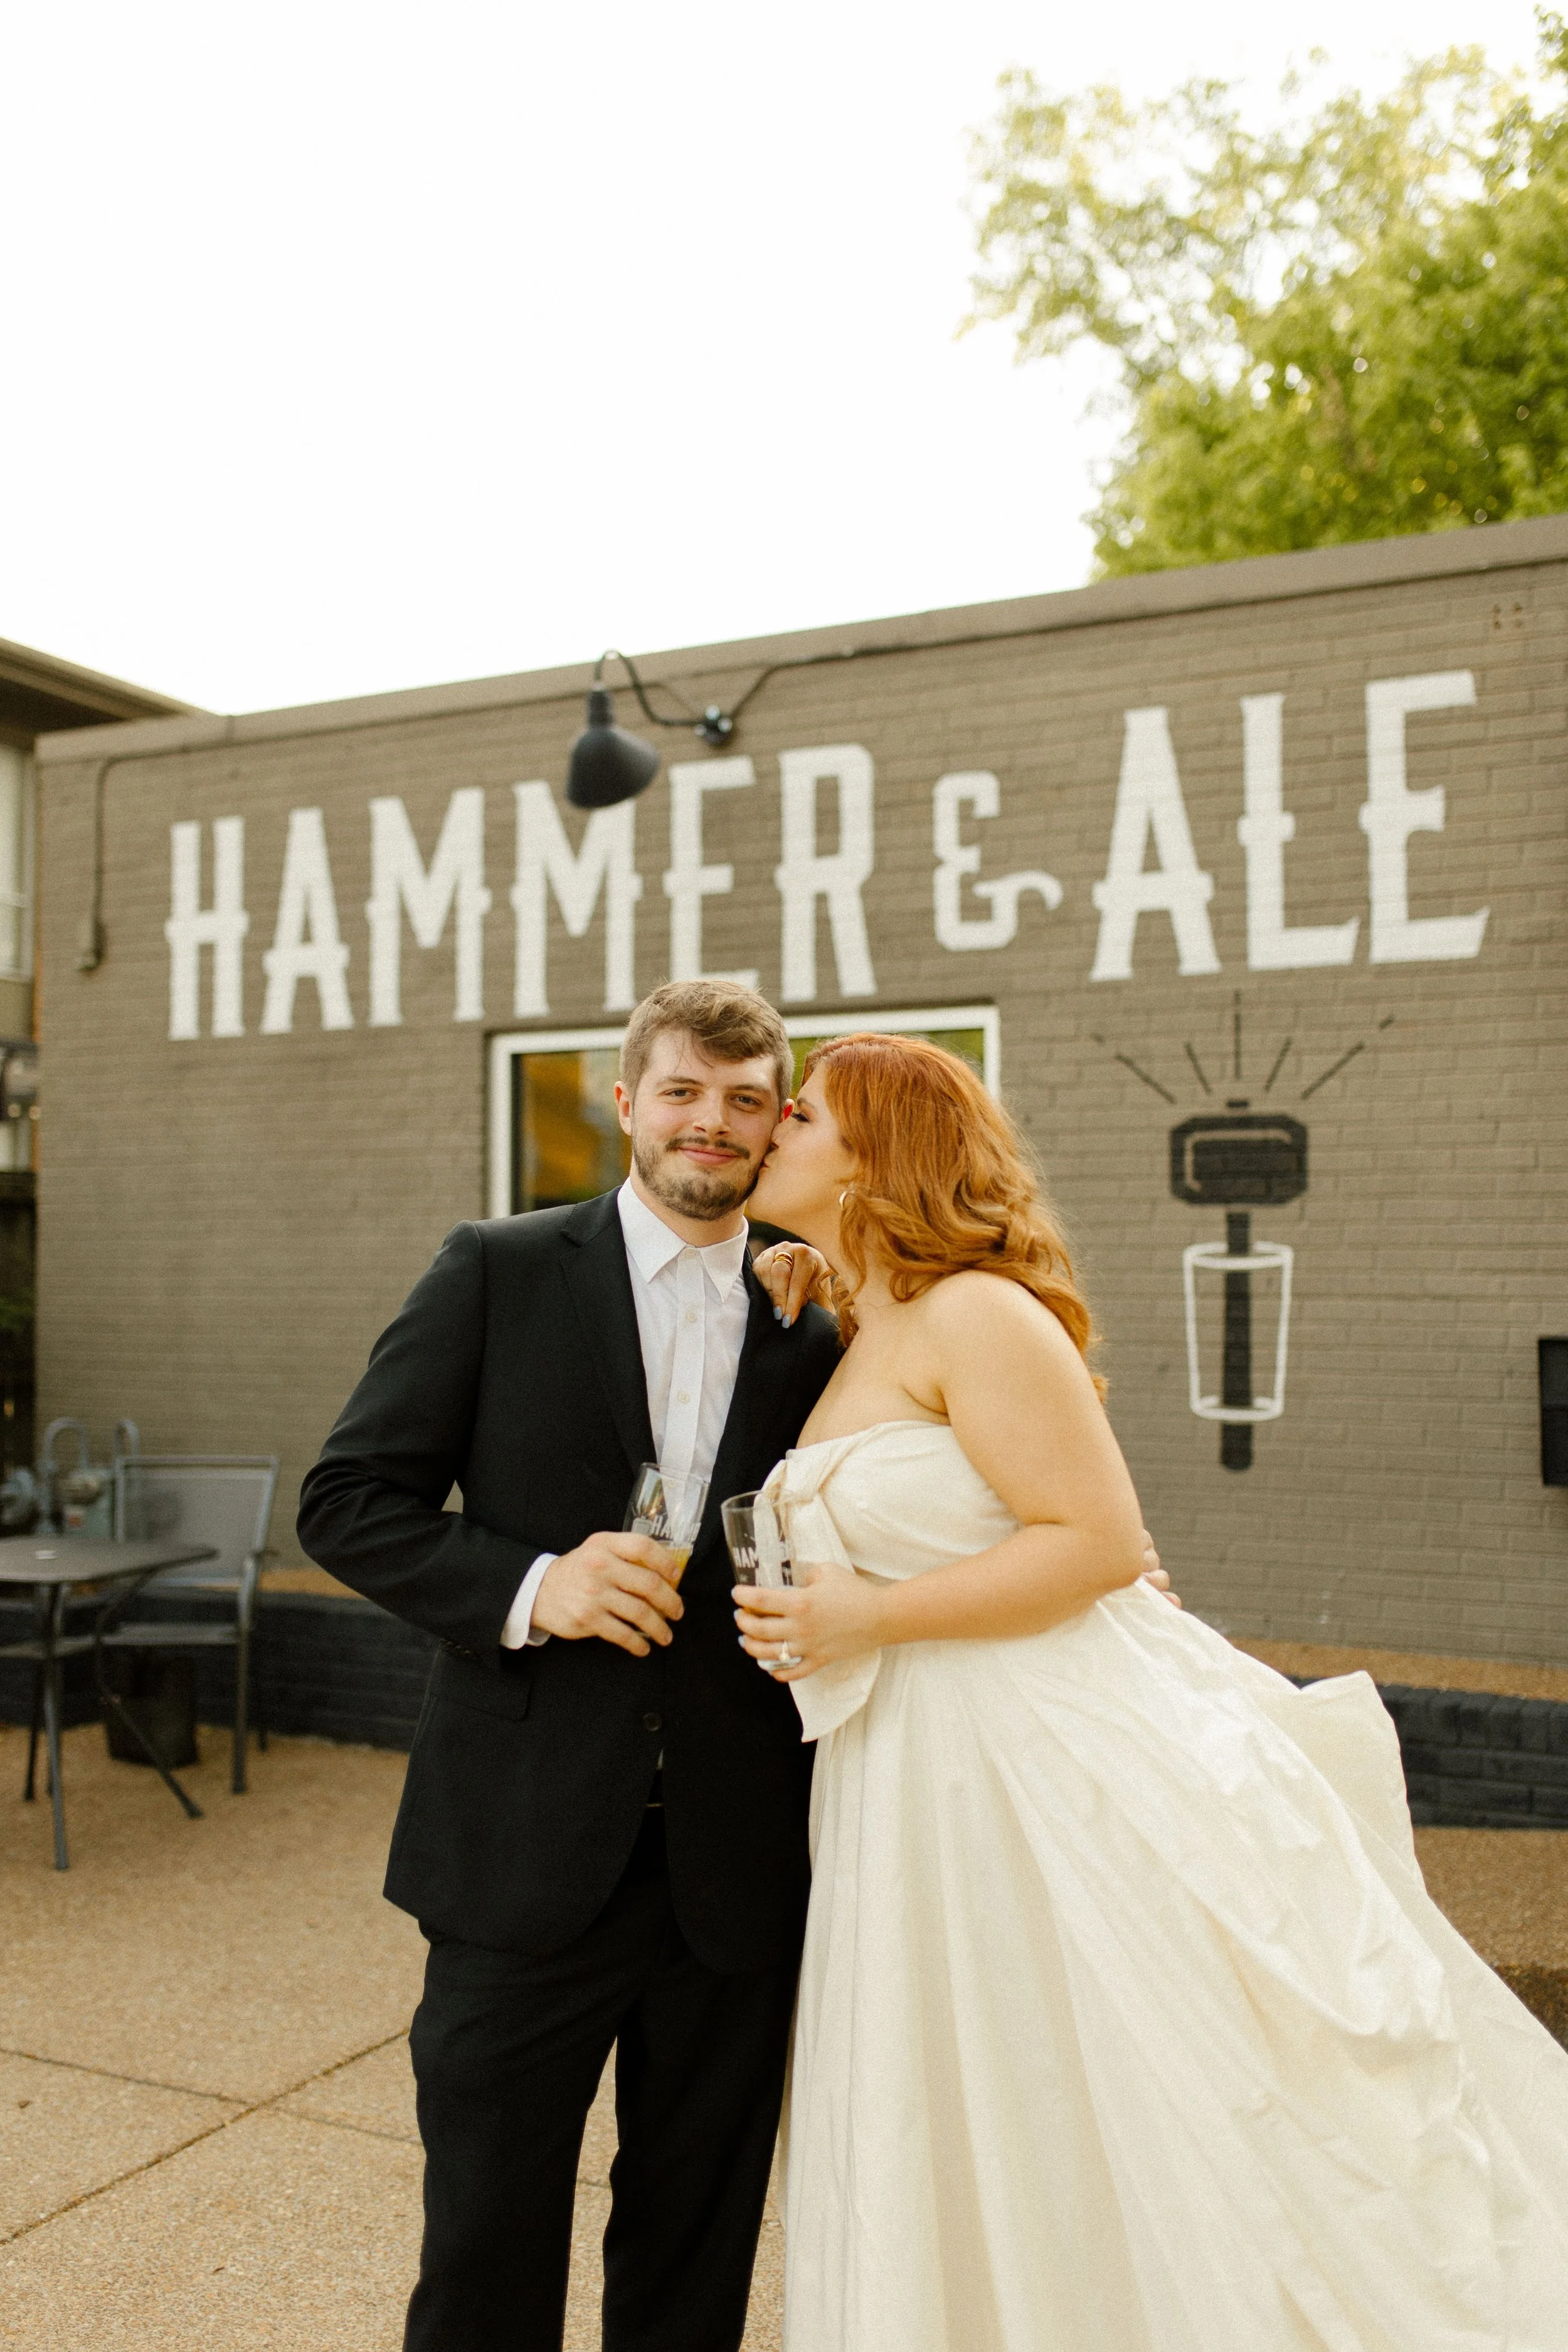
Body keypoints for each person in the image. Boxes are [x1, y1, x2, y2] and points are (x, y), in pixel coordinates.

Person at [735, 1032, 1568, 2352]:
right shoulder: (854, 1318)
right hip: (911, 1778)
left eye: (802, 1112)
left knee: (1125, 2083)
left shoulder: (977, 1312)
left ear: (875, 1153)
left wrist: (869, 1615)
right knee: (974, 2094)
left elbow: (1097, 1541)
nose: (772, 1123)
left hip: (1040, 1759)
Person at [295, 981, 841, 2352]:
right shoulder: (497, 1267)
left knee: (696, 2251)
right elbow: (347, 1502)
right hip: (518, 1856)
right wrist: (540, 1585)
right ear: (626, 1102)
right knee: (485, 2246)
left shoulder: (819, 1311)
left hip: (737, 1866)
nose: (710, 1123)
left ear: (778, 1120)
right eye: (682, 1091)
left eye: (743, 1100)